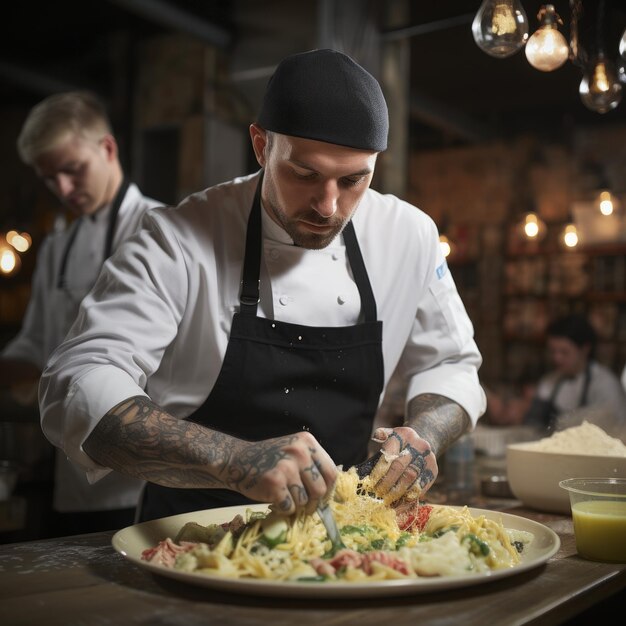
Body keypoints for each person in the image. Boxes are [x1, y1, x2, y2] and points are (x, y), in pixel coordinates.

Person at [39, 49, 486, 523]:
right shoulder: (176, 238)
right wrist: (232, 459)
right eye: (304, 174)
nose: (328, 206)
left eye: (354, 180)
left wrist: (422, 438)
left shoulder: (408, 235)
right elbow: (78, 380)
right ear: (261, 145)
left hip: (345, 536)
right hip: (190, 535)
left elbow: (452, 362)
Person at [0, 91, 162, 536]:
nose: (64, 189)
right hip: (70, 473)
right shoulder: (56, 247)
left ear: (107, 149)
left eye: (73, 170)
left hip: (138, 480)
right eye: (50, 179)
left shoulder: (159, 230)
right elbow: (36, 341)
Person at [523, 313, 626, 436]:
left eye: (564, 352)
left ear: (585, 349)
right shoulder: (548, 382)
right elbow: (533, 425)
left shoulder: (605, 384)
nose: (557, 358)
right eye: (553, 351)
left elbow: (616, 429)